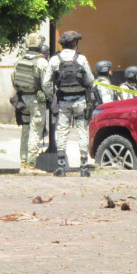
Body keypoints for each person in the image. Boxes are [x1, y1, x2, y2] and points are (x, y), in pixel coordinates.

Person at [42, 30, 94, 177]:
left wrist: (52, 96)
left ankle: (60, 167)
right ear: (74, 43)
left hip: (63, 101)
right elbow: (90, 80)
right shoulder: (81, 59)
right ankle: (84, 167)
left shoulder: (54, 60)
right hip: (80, 101)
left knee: (62, 132)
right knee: (82, 132)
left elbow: (46, 83)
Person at [10, 33, 49, 175]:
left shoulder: (19, 60)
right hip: (37, 101)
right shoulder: (42, 62)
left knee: (25, 131)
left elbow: (14, 80)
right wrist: (49, 97)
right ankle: (31, 166)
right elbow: (47, 85)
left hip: (22, 101)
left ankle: (23, 164)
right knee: (35, 131)